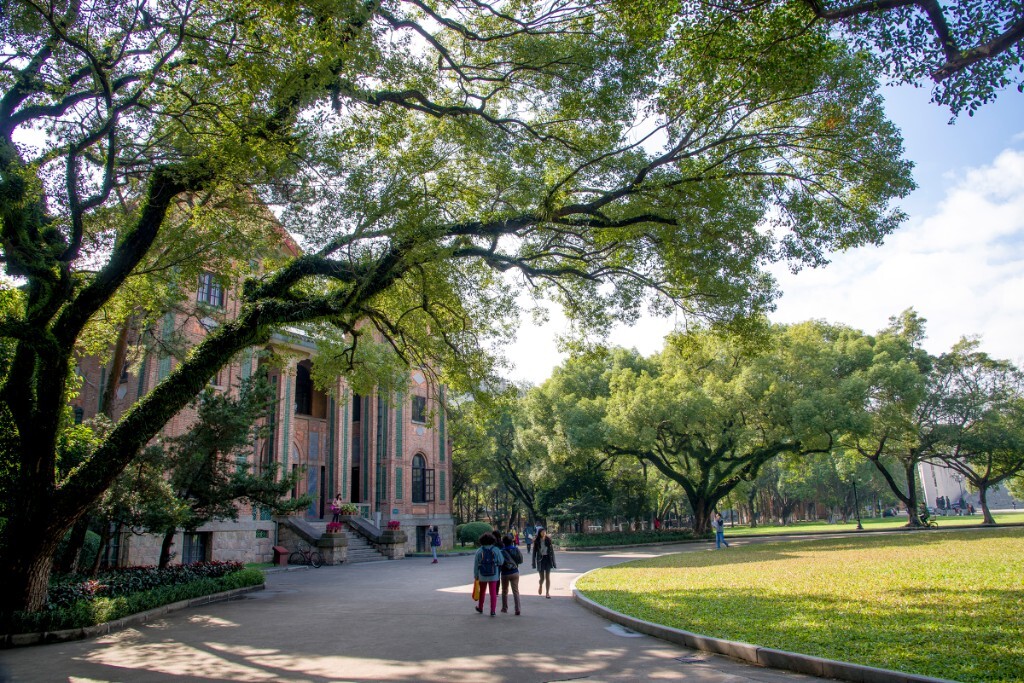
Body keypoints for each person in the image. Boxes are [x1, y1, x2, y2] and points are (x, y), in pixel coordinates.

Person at [474, 533, 504, 616]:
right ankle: (493, 611)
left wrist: (476, 575)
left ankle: (480, 607)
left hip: (482, 574)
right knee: (493, 592)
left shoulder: (479, 551)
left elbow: (476, 564)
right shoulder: (496, 550)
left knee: (482, 592)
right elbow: (501, 561)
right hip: (493, 574)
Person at [499, 534, 523, 615]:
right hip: (515, 572)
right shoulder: (516, 549)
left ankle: (504, 608)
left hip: (505, 573)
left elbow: (499, 563)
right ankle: (517, 609)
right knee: (515, 591)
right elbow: (520, 560)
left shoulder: (501, 551)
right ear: (512, 541)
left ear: (503, 542)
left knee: (504, 591)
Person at [531, 527, 556, 598]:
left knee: (548, 577)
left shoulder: (548, 540)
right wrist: (533, 563)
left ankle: (547, 592)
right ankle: (540, 585)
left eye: (544, 532)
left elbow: (552, 552)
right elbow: (534, 553)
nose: (544, 533)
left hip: (548, 559)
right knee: (542, 578)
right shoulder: (537, 541)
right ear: (539, 533)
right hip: (540, 560)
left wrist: (554, 562)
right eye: (542, 532)